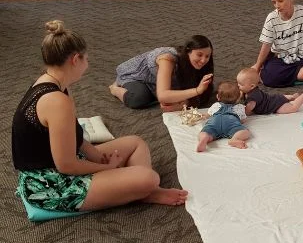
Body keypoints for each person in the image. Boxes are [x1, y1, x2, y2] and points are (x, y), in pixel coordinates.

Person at [12, 20, 188, 214]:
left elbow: (75, 137)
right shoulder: (56, 100)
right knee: (149, 178)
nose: (87, 65)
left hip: (60, 164)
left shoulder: (53, 83)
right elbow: (66, 165)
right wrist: (109, 169)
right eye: (86, 59)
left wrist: (98, 158)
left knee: (136, 143)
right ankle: (144, 189)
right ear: (75, 59)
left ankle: (143, 191)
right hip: (48, 185)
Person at [110, 35, 215, 111]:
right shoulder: (167, 59)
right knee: (139, 98)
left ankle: (155, 91)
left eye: (207, 56)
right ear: (188, 51)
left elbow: (207, 92)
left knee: (175, 96)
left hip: (155, 80)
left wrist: (186, 103)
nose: (203, 60)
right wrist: (197, 90)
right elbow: (163, 96)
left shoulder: (202, 64)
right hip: (135, 76)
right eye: (199, 55)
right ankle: (114, 88)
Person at [252, 0, 303, 88]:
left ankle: (271, 72)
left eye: (280, 1)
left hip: (300, 58)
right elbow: (266, 46)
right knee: (269, 79)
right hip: (279, 57)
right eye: (274, 2)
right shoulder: (271, 18)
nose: (277, 5)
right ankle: (264, 69)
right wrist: (257, 67)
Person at [196, 81, 250, 152]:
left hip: (215, 122)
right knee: (245, 132)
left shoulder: (216, 105)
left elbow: (208, 115)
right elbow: (243, 120)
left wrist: (203, 116)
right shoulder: (240, 107)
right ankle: (235, 139)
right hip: (231, 123)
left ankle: (205, 137)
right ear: (238, 98)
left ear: (218, 97)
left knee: (206, 131)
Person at [236, 68, 303, 115]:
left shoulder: (252, 99)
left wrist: (243, 113)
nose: (238, 86)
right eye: (238, 83)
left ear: (252, 86)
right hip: (274, 98)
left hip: (275, 106)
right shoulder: (251, 90)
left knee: (292, 108)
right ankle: (292, 97)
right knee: (281, 98)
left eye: (241, 84)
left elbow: (248, 111)